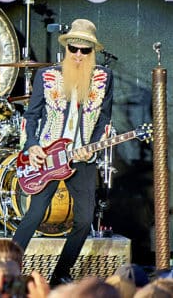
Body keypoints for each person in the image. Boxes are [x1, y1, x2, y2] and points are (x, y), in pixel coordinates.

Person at [12, 18, 113, 286]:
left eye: (85, 50)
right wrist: (32, 144)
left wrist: (90, 147)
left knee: (83, 220)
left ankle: (61, 273)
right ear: (66, 48)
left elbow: (104, 119)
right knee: (34, 215)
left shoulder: (103, 78)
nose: (79, 55)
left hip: (82, 158)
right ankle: (7, 268)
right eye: (74, 49)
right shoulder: (47, 76)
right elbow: (31, 116)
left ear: (93, 51)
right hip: (48, 154)